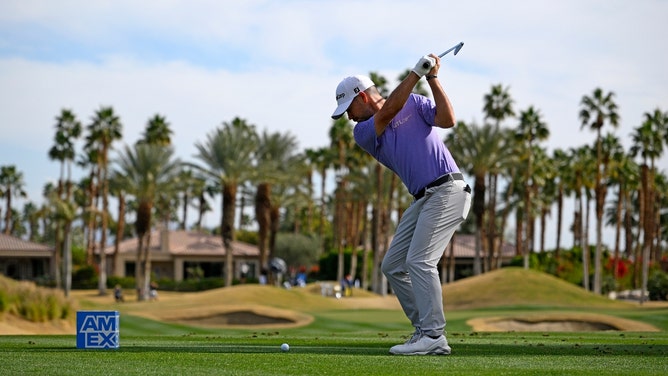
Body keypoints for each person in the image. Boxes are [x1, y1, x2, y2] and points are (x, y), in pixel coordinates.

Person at [331, 54, 471, 355]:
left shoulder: (414, 102)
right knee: (393, 265)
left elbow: (447, 120)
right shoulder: (364, 132)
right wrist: (415, 74)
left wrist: (432, 78)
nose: (349, 117)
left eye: (348, 109)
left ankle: (434, 336)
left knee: (419, 261)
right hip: (424, 198)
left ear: (363, 97)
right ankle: (424, 330)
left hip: (448, 189)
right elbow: (388, 111)